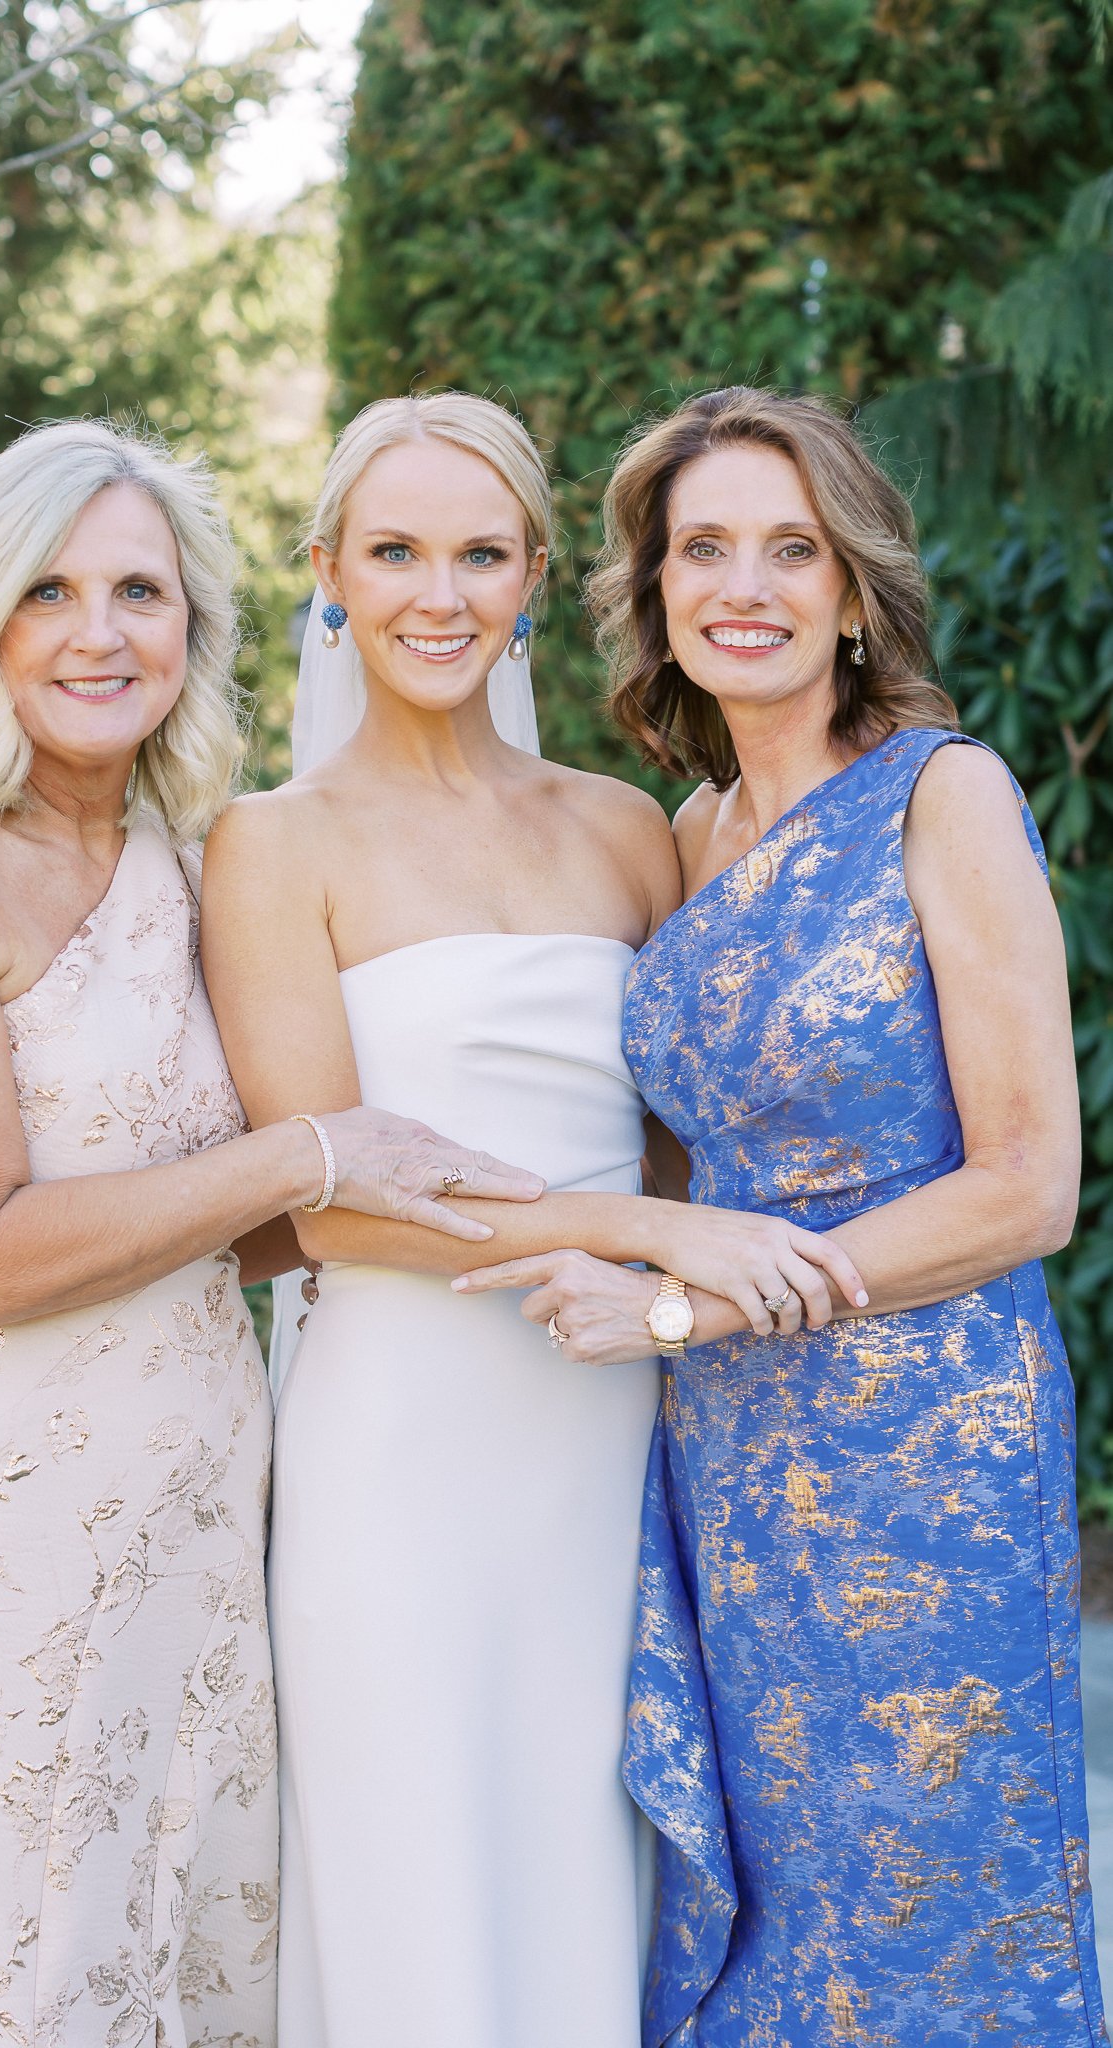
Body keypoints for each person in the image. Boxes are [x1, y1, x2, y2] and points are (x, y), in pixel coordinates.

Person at [0, 418, 544, 2048]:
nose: (99, 633)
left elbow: (240, 1233)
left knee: (172, 1965)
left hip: (196, 1546)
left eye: (141, 591)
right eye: (49, 590)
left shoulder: (194, 869)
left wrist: (523, 1211)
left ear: (195, 629)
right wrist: (309, 1150)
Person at [200, 391, 868, 2048]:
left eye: (480, 553)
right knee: (410, 1867)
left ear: (534, 574)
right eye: (396, 552)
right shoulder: (271, 846)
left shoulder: (625, 828)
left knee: (588, 1858)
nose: (440, 594)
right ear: (330, 577)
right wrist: (645, 1240)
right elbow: (335, 1202)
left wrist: (671, 1257)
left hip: (612, 1425)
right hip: (396, 1438)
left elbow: (682, 1153)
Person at [461, 386, 1107, 2044]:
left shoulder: (937, 794)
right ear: (656, 589)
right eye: (701, 549)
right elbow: (689, 1159)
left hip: (927, 1435)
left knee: (931, 1894)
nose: (741, 584)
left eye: (787, 548)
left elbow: (1027, 1183)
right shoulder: (690, 833)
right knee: (775, 1894)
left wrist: (694, 1308)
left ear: (849, 587)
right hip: (735, 1455)